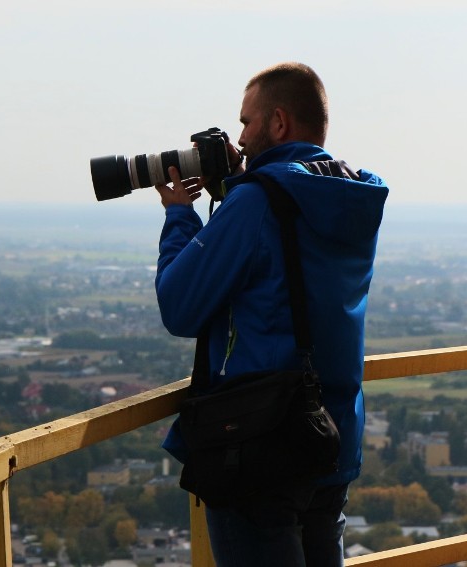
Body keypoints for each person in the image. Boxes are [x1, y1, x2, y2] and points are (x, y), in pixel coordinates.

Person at [154, 62, 389, 566]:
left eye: (246, 122)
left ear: (278, 123)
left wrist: (179, 215)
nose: (239, 138)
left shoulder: (258, 202)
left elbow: (180, 306)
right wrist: (240, 188)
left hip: (259, 447)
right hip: (331, 438)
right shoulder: (353, 194)